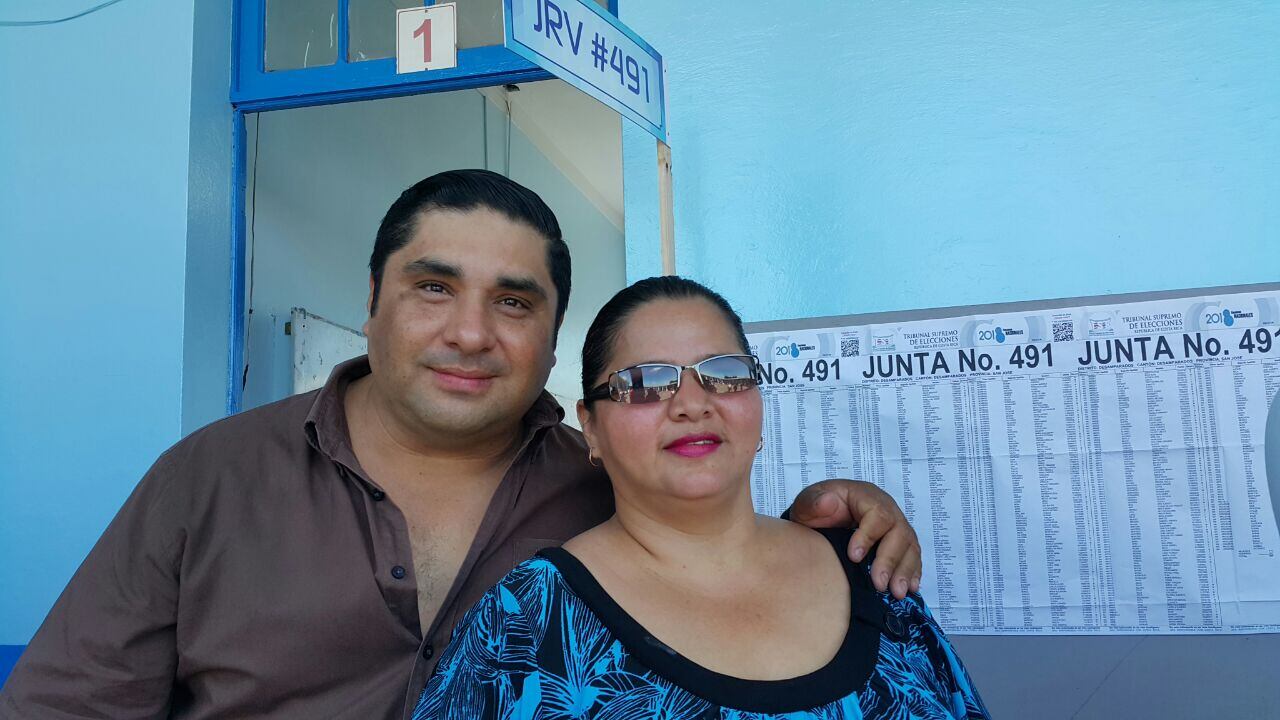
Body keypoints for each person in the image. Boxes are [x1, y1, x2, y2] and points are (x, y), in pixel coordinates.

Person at [0, 171, 921, 720]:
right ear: (373, 300)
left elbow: (721, 561)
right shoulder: (210, 479)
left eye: (514, 302)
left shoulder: (603, 488)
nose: (471, 333)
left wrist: (835, 518)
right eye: (434, 288)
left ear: (553, 342)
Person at [413, 276, 987, 719]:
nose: (692, 403)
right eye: (645, 382)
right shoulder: (523, 624)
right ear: (591, 427)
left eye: (725, 373)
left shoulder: (873, 572)